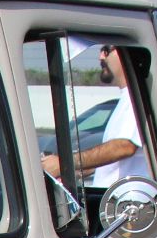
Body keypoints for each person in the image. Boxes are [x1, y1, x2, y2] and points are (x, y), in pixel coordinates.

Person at [39, 44, 149, 189]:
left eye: (106, 50)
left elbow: (124, 147)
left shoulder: (135, 98)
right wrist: (76, 171)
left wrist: (64, 164)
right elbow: (116, 163)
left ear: (125, 53)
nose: (101, 56)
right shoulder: (126, 98)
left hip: (125, 204)